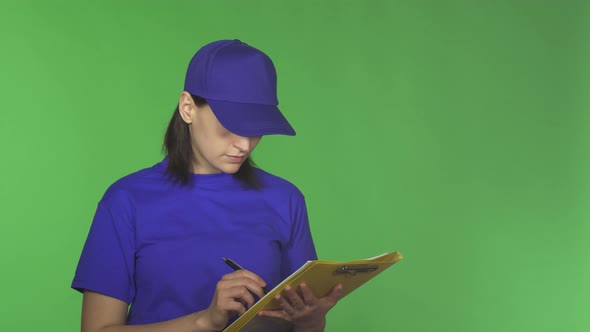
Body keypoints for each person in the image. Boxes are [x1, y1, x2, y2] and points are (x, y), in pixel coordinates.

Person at [71, 39, 342, 332]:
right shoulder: (127, 201)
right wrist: (205, 321)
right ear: (188, 108)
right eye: (230, 128)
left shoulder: (285, 199)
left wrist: (312, 320)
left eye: (257, 130)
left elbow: (303, 326)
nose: (244, 144)